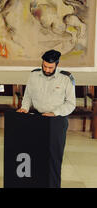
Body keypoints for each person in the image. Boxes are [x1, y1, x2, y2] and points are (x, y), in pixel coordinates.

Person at [16, 49, 76, 187]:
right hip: (37, 118)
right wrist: (25, 107)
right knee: (36, 154)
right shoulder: (34, 75)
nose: (47, 69)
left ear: (56, 65)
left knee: (54, 158)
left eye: (50, 67)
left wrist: (55, 112)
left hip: (56, 120)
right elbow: (28, 96)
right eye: (45, 66)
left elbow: (71, 103)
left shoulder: (66, 78)